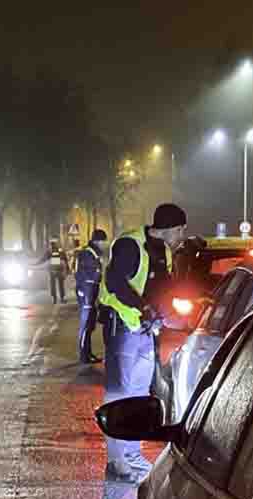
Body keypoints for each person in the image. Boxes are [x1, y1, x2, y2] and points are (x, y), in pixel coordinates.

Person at [98, 203, 187, 482]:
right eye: (180, 230)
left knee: (137, 392)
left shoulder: (164, 251)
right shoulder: (130, 245)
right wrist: (143, 307)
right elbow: (114, 283)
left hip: (145, 328)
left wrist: (170, 311)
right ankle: (116, 460)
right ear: (169, 229)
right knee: (119, 391)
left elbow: (165, 287)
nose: (182, 235)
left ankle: (132, 454)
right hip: (122, 325)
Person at [75, 229, 108, 364]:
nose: (103, 244)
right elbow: (86, 275)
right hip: (87, 292)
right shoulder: (87, 253)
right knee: (85, 325)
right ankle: (84, 355)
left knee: (90, 325)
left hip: (91, 292)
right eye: (102, 241)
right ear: (97, 241)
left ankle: (88, 354)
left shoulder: (93, 253)